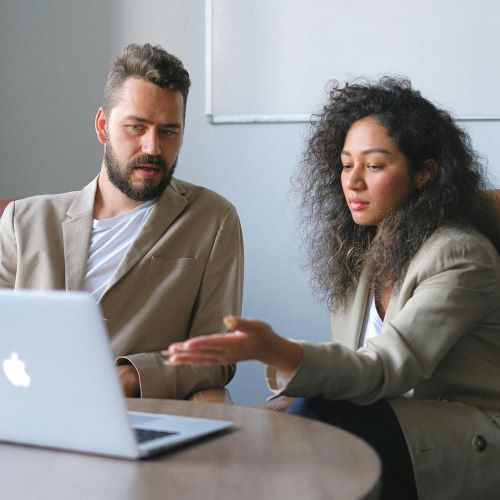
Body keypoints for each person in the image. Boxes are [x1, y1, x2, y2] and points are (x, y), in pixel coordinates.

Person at [166, 77, 500, 499]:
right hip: (392, 422)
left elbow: (383, 370)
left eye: (374, 166)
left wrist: (275, 350)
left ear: (423, 174)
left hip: (470, 436)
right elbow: (350, 371)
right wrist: (259, 417)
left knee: (323, 418)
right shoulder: (364, 252)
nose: (353, 182)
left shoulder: (459, 255)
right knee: (266, 432)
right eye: (346, 164)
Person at [0, 43, 243, 400]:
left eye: (168, 132)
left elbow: (219, 354)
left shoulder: (212, 220)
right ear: (103, 126)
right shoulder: (25, 221)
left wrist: (130, 377)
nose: (153, 148)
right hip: (29, 406)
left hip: (135, 414)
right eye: (136, 127)